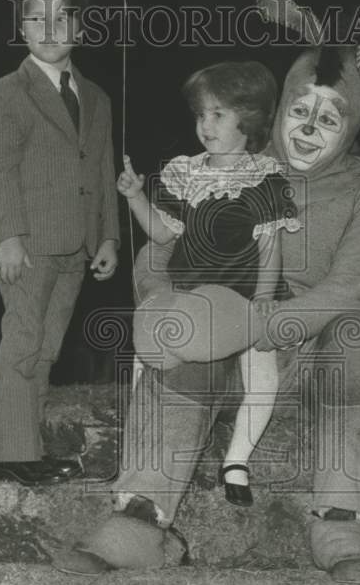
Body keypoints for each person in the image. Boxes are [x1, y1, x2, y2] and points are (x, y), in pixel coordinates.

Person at [57, 0, 360, 585]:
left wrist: (265, 324)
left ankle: (341, 517)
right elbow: (161, 247)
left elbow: (354, 286)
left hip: (309, 352)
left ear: (351, 128)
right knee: (181, 320)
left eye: (330, 118)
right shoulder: (233, 162)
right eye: (301, 109)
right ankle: (141, 518)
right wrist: (156, 298)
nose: (309, 129)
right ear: (278, 111)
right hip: (220, 338)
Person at [117, 61, 299, 507]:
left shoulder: (264, 177)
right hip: (189, 299)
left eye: (218, 114)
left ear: (250, 120)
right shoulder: (185, 171)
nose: (205, 125)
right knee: (149, 350)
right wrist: (135, 197)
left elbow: (269, 245)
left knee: (262, 373)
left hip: (241, 299)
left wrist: (262, 296)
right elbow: (163, 233)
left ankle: (236, 461)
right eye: (201, 114)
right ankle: (134, 444)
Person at [0, 0, 120, 487]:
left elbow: (100, 168)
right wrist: (9, 237)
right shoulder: (6, 93)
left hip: (75, 247)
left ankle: (28, 449)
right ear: (21, 23)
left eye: (64, 16)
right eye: (37, 15)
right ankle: (9, 455)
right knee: (22, 342)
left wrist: (107, 235)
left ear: (82, 28)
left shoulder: (97, 98)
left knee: (48, 347)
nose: (50, 26)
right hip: (29, 245)